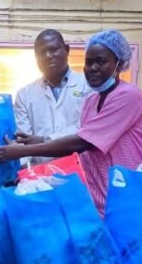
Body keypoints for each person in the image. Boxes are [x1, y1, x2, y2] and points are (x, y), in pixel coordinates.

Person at [0, 30, 142, 212]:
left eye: (101, 62)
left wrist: (23, 150)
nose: (93, 68)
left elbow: (83, 141)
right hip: (97, 194)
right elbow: (84, 139)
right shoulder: (92, 100)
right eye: (89, 62)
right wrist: (33, 155)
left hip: (132, 192)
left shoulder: (128, 96)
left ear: (118, 64)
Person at [14, 29, 92, 163]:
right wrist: (23, 171)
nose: (48, 56)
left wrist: (45, 140)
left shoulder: (89, 87)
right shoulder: (24, 95)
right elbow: (24, 140)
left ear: (67, 50)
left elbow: (86, 131)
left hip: (82, 172)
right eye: (41, 53)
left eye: (53, 49)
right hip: (40, 176)